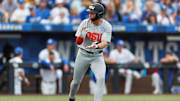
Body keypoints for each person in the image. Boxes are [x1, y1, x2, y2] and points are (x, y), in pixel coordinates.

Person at [69, 3, 112, 101]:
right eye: (90, 13)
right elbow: (78, 42)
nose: (90, 15)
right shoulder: (84, 23)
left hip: (97, 56)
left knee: (101, 79)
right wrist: (82, 35)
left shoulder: (106, 26)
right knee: (76, 82)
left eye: (92, 13)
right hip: (83, 54)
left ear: (99, 14)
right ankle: (71, 97)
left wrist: (96, 46)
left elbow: (105, 42)